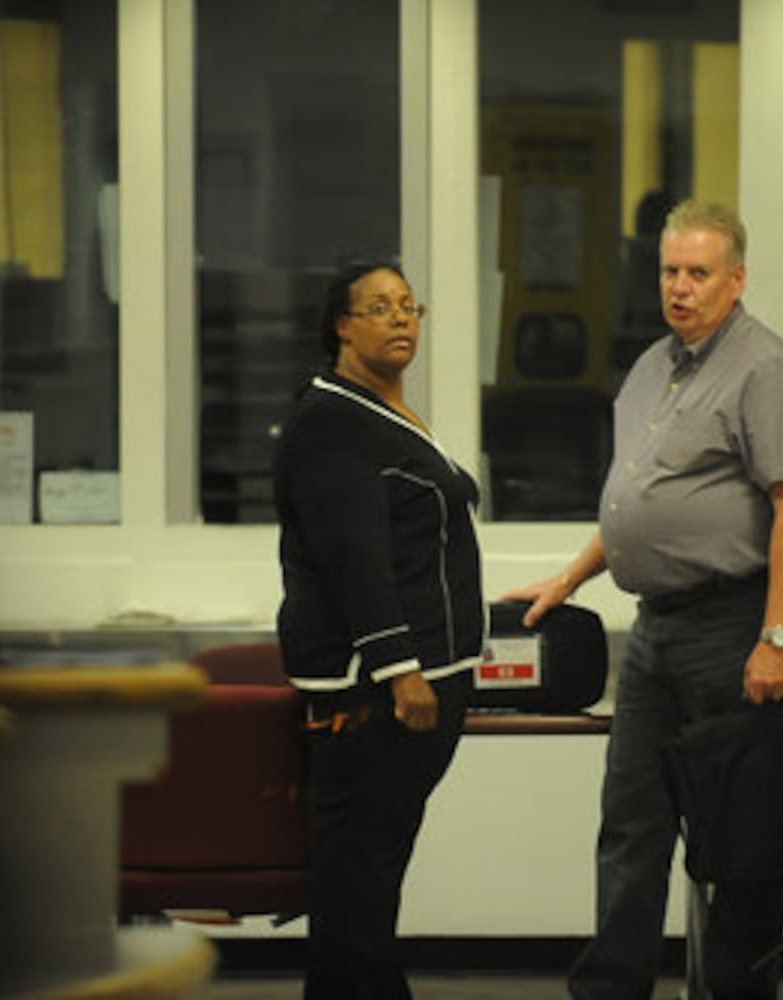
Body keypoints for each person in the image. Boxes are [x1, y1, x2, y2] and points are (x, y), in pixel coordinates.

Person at [501, 200, 783, 1000]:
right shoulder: (652, 366)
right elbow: (643, 502)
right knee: (631, 824)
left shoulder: (764, 370)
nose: (680, 287)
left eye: (698, 273)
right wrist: (569, 578)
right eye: (670, 271)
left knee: (739, 840)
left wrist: (778, 638)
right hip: (657, 629)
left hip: (735, 623)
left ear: (736, 279)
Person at [273, 260, 486, 999]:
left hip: (422, 677)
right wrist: (401, 671)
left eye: (408, 305)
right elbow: (354, 559)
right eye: (379, 307)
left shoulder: (380, 412)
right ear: (342, 326)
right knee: (356, 879)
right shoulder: (330, 422)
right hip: (375, 692)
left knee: (371, 877)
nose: (400, 318)